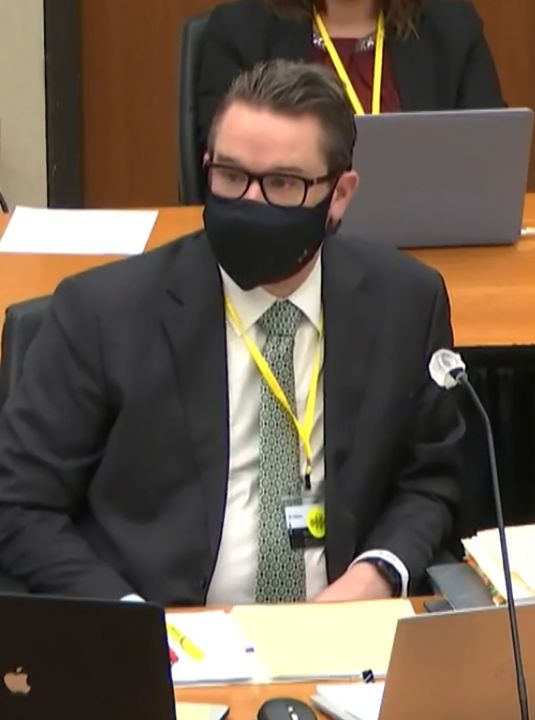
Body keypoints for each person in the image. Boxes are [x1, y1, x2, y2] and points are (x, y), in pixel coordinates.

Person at [0, 60, 463, 606]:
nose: (250, 202)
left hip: (342, 634)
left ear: (339, 195)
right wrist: (131, 625)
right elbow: (18, 505)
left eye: (283, 184)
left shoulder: (404, 302)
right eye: (231, 176)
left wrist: (376, 574)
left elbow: (432, 481)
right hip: (165, 632)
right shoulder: (103, 313)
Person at [195, 0, 505, 164]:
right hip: (290, 241)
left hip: (430, 242)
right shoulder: (237, 31)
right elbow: (226, 157)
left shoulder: (453, 27)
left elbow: (492, 152)